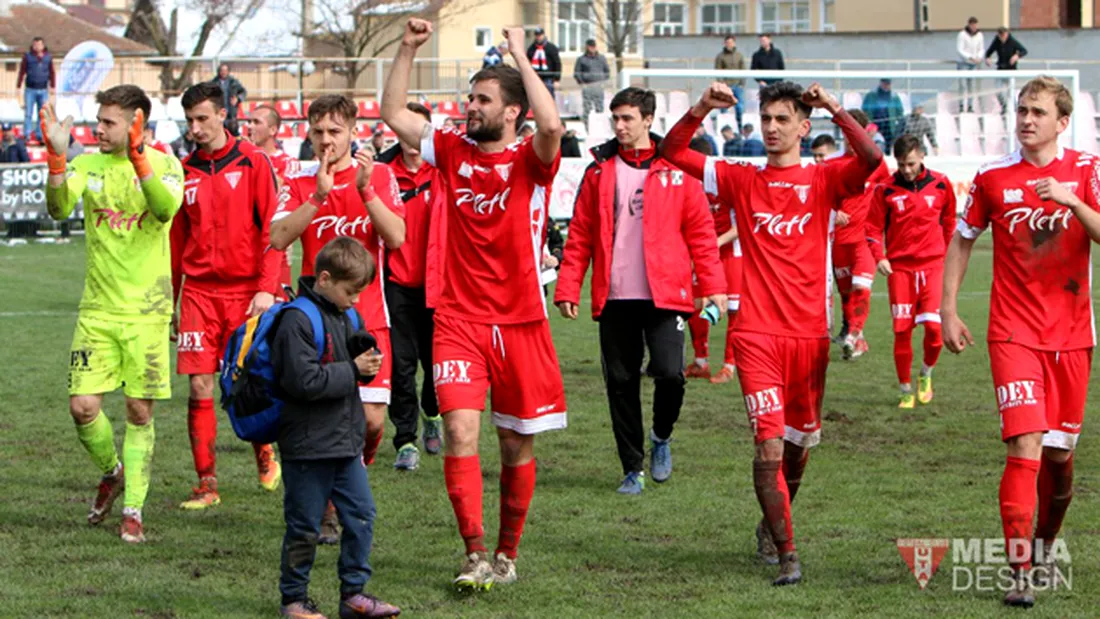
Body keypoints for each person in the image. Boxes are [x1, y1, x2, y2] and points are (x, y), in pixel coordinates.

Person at [660, 80, 883, 585]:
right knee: (769, 446)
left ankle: (770, 523)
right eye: (766, 120)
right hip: (756, 335)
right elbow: (672, 153)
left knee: (800, 446)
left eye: (783, 120)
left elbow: (870, 159)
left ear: (804, 128)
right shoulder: (741, 178)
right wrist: (700, 108)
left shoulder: (825, 178)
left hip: (809, 337)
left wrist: (834, 107)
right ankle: (787, 552)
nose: (772, 128)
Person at [382, 20, 567, 589]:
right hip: (458, 318)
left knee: (514, 443)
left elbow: (553, 124)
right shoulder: (452, 151)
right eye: (470, 97)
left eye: (483, 99)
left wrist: (518, 54)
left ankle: (508, 553)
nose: (471, 106)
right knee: (461, 434)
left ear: (513, 112)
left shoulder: (532, 162)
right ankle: (474, 552)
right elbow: (393, 113)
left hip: (521, 322)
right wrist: (408, 48)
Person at [944, 76, 1100, 608]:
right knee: (1025, 444)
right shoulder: (992, 179)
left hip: (1073, 335)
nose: (1027, 119)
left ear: (1062, 121)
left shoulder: (1086, 170)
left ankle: (1045, 547)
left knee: (1059, 460)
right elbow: (962, 240)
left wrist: (1072, 202)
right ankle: (1018, 571)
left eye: (1038, 112)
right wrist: (947, 309)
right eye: (1021, 110)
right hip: (1012, 333)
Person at [556, 87, 725, 494]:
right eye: (616, 119)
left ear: (649, 120)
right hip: (614, 296)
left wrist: (715, 286)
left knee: (670, 374)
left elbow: (702, 234)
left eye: (628, 118)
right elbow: (579, 233)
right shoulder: (598, 170)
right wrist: (567, 286)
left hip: (665, 294)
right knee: (620, 382)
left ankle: (661, 436)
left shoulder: (677, 169)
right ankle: (632, 467)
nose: (620, 126)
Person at [42, 85, 185, 543]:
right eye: (98, 120)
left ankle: (134, 510)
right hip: (97, 310)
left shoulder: (166, 164)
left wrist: (140, 156)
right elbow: (59, 208)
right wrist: (58, 159)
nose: (97, 129)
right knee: (82, 408)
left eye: (108, 122)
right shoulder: (88, 164)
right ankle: (112, 471)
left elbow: (163, 211)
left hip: (147, 312)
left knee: (139, 412)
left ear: (135, 123)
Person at [270, 94, 406, 542]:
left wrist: (365, 191)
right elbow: (276, 238)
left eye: (335, 131)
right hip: (316, 323)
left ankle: (345, 486)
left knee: (369, 422)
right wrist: (317, 198)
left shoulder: (378, 174)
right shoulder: (298, 179)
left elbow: (398, 238)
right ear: (308, 133)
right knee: (325, 419)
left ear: (352, 131)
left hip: (369, 317)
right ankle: (330, 504)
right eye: (318, 132)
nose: (326, 141)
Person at [272, 237, 400, 619]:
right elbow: (303, 382)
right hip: (308, 446)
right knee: (305, 526)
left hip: (345, 443)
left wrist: (365, 353)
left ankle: (354, 596)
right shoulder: (296, 319)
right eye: (351, 291)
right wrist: (353, 370)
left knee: (362, 515)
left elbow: (345, 367)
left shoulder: (346, 314)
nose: (356, 300)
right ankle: (294, 600)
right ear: (325, 278)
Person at [170, 82, 284, 509]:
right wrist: (173, 299)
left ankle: (263, 451)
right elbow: (176, 242)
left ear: (222, 115)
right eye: (190, 121)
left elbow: (273, 232)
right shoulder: (184, 171)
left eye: (203, 119)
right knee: (199, 386)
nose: (196, 128)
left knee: (249, 383)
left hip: (244, 293)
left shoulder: (253, 163)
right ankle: (206, 484)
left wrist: (265, 290)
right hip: (199, 293)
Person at [375, 102, 445, 471]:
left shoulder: (445, 172)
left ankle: (432, 413)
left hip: (441, 285)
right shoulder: (383, 173)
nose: (412, 138)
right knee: (400, 366)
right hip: (396, 284)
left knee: (436, 363)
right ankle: (405, 439)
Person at [865, 135, 955, 408]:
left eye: (911, 164)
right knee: (902, 331)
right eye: (902, 164)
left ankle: (926, 374)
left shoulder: (941, 184)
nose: (906, 170)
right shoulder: (886, 189)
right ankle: (905, 390)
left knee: (933, 329)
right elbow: (871, 228)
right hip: (900, 269)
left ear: (922, 157)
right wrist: (879, 257)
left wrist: (949, 255)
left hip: (932, 266)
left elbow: (950, 222)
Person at [830, 109, 890, 360]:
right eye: (847, 134)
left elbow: (889, 196)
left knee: (860, 287)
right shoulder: (831, 167)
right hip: (838, 242)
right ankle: (859, 339)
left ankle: (853, 335)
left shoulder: (879, 166)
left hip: (865, 240)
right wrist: (833, 214)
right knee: (846, 295)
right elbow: (818, 200)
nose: (850, 139)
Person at [683, 139, 742, 385]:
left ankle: (729, 365)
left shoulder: (727, 183)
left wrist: (716, 242)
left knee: (733, 310)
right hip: (703, 254)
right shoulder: (690, 186)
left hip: (731, 254)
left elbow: (742, 225)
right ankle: (701, 361)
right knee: (696, 306)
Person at [250, 104, 301, 295]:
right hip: (246, 248)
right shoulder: (243, 160)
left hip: (275, 247)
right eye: (249, 121)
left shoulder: (289, 164)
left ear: (273, 130)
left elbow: (291, 203)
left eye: (256, 122)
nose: (249, 126)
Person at [17, 37, 54, 144]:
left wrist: (53, 85)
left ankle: (40, 135)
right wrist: (18, 86)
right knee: (28, 113)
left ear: (43, 46)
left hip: (43, 89)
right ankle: (27, 134)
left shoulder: (48, 57)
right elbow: (22, 71)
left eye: (39, 45)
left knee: (42, 114)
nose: (37, 47)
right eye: (35, 45)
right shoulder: (28, 57)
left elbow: (51, 72)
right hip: (30, 89)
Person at [986, 27, 1028, 112]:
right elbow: (988, 52)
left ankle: (1015, 108)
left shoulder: (1012, 41)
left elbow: (1024, 50)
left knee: (1011, 92)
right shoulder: (996, 41)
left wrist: (1017, 56)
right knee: (998, 90)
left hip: (1011, 70)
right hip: (1001, 69)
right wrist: (988, 58)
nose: (1002, 38)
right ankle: (1004, 107)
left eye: (1004, 36)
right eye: (1001, 36)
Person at [574, 39, 610, 126]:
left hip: (598, 86)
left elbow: (607, 71)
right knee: (587, 108)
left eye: (593, 46)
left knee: (599, 107)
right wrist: (582, 83)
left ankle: (600, 126)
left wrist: (602, 81)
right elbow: (577, 72)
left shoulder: (601, 58)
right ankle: (587, 126)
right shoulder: (581, 59)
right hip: (587, 86)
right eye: (590, 46)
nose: (592, 48)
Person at [861, 79, 904, 150]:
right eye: (884, 83)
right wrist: (869, 125)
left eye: (888, 84)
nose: (886, 85)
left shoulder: (894, 97)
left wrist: (898, 126)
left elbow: (900, 112)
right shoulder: (871, 95)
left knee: (888, 147)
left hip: (889, 127)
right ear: (881, 83)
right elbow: (865, 110)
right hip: (874, 126)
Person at [714, 35, 746, 130]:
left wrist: (742, 84)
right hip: (726, 86)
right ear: (725, 43)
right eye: (727, 43)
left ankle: (740, 127)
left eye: (731, 42)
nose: (729, 44)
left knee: (739, 107)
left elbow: (743, 70)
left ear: (734, 43)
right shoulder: (720, 56)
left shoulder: (739, 55)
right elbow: (718, 70)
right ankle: (725, 128)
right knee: (724, 107)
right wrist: (721, 84)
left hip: (737, 85)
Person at [956, 17, 985, 113]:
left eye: (975, 25)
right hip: (963, 63)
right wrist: (969, 57)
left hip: (974, 64)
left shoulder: (979, 35)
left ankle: (970, 106)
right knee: (962, 85)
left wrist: (979, 57)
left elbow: (981, 48)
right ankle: (961, 105)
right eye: (972, 25)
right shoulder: (962, 35)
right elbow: (960, 49)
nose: (974, 27)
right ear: (969, 24)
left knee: (971, 85)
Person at [210, 64, 247, 136]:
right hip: (219, 113)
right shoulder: (213, 83)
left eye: (225, 70)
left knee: (233, 134)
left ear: (228, 71)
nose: (223, 72)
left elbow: (243, 92)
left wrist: (238, 99)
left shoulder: (234, 82)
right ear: (219, 71)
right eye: (222, 70)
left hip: (231, 114)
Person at [526, 27, 561, 97]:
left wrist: (557, 79)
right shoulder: (531, 48)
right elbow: (527, 62)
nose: (538, 37)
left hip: (548, 78)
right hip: (535, 77)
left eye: (540, 35)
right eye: (537, 35)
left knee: (549, 97)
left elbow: (557, 63)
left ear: (543, 35)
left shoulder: (551, 47)